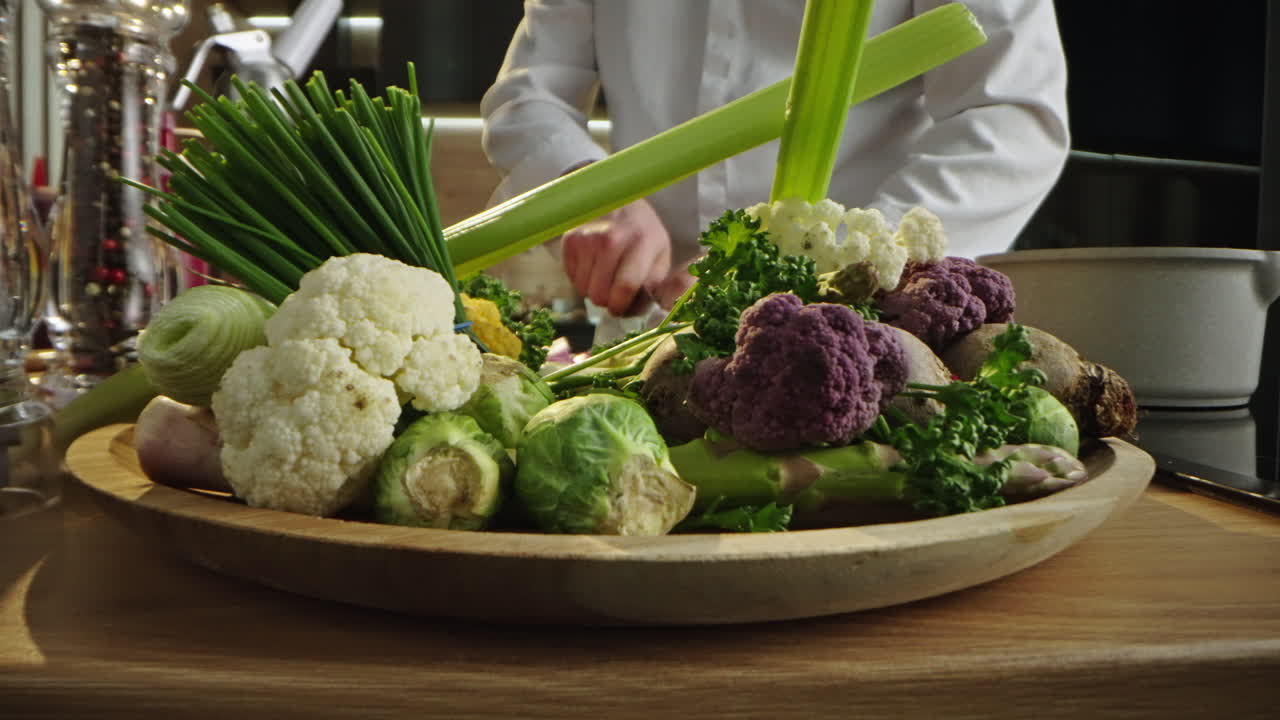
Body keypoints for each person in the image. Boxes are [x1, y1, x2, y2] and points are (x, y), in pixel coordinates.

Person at [480, 0, 1070, 339]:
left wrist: (829, 266)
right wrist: (590, 191)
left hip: (861, 330)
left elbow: (1011, 115)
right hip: (647, 330)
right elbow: (531, 94)